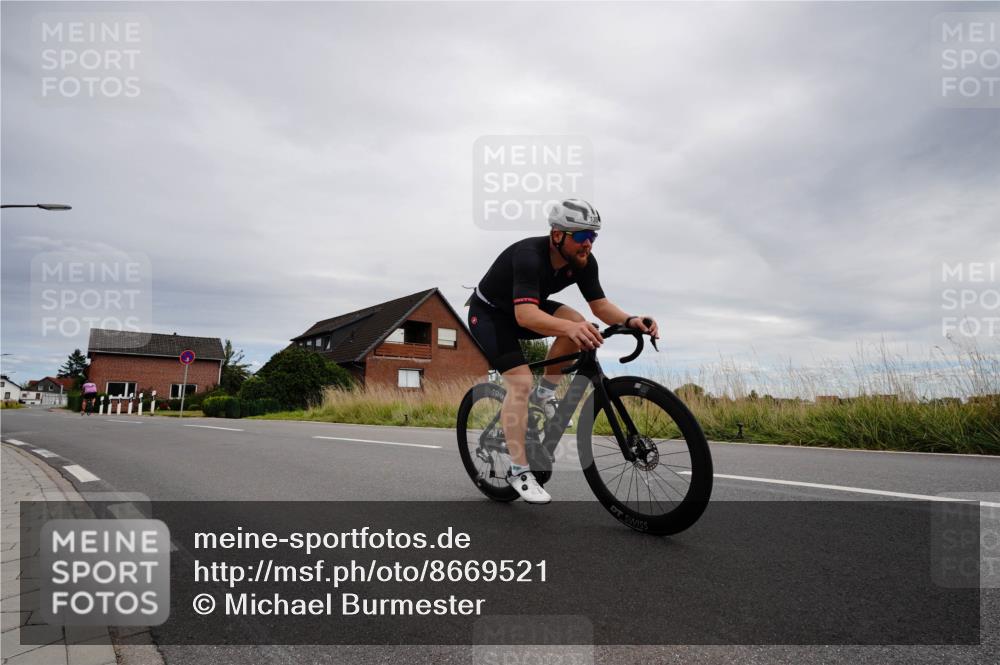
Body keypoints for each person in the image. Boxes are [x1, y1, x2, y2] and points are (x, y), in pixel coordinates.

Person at [467, 199, 659, 504]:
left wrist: (630, 320)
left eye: (593, 237)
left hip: (525, 307)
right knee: (520, 382)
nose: (589, 244)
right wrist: (568, 330)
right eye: (582, 237)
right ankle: (518, 472)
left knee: (578, 321)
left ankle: (544, 396)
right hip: (490, 315)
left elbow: (600, 306)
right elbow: (525, 317)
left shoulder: (583, 261)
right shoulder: (530, 256)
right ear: (558, 235)